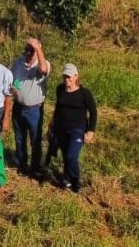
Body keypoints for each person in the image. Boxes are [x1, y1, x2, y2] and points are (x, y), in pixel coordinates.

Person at [48, 63, 97, 193]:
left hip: (78, 129)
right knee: (65, 155)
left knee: (71, 156)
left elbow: (93, 112)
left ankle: (76, 180)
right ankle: (67, 178)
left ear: (76, 77)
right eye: (65, 77)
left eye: (69, 77)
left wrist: (90, 131)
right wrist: (52, 123)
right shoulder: (60, 89)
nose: (67, 79)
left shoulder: (84, 93)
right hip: (61, 128)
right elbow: (58, 107)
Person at [10, 37, 51, 176]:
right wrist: (14, 88)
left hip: (34, 110)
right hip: (18, 106)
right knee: (19, 138)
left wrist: (37, 48)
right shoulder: (17, 62)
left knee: (35, 139)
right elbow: (14, 79)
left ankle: (35, 167)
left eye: (31, 50)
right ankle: (22, 165)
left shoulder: (43, 64)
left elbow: (43, 69)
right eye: (26, 50)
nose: (28, 53)